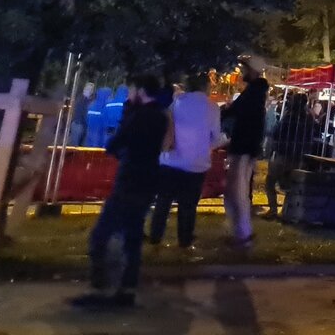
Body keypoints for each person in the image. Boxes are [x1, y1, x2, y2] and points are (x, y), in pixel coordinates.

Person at [70, 74, 168, 309]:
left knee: (102, 235)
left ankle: (99, 290)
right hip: (149, 181)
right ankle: (127, 290)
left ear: (141, 90)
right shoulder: (161, 117)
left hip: (129, 180)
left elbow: (114, 144)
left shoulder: (137, 116)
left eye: (134, 89)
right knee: (133, 237)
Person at [148, 70, 220, 250]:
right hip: (196, 164)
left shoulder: (178, 102)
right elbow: (216, 137)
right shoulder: (212, 107)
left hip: (171, 161)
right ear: (206, 86)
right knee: (188, 206)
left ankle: (156, 237)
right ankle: (184, 241)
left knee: (163, 202)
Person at [221, 56, 269, 249]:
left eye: (245, 69)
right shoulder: (255, 92)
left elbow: (236, 112)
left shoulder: (254, 93)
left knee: (238, 191)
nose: (241, 72)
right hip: (245, 147)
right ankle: (239, 232)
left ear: (254, 71)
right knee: (235, 190)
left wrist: (226, 111)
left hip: (244, 148)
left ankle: (243, 235)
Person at [265, 92, 318, 219]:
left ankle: (273, 209)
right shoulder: (308, 118)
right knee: (291, 184)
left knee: (270, 181)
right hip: (299, 155)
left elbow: (277, 132)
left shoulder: (289, 116)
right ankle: (287, 210)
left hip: (284, 153)